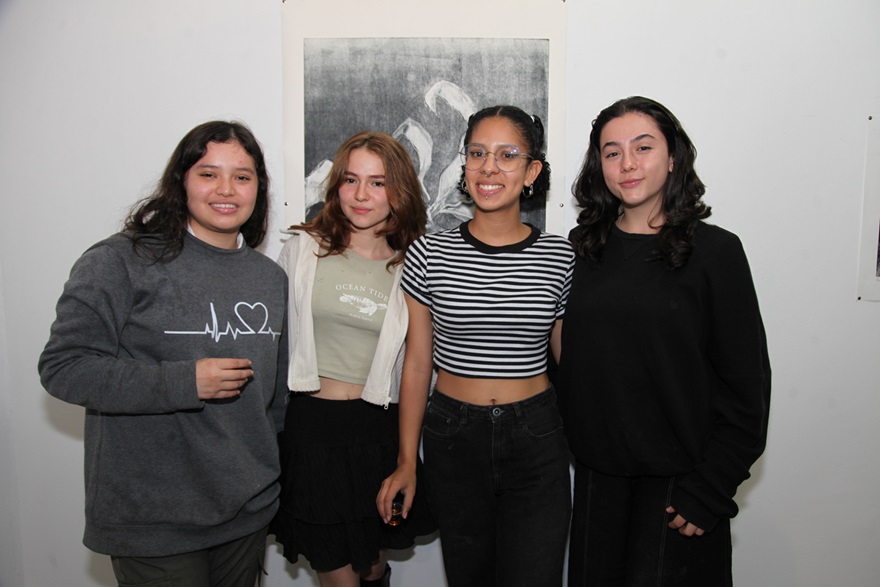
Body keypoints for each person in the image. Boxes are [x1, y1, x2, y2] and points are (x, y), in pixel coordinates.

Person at [38, 121, 289, 587]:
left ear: (259, 188)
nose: (226, 189)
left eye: (242, 176)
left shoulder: (270, 278)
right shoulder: (121, 261)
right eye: (208, 174)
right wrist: (184, 382)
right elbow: (64, 367)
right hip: (153, 519)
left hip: (246, 513)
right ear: (181, 181)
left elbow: (274, 401)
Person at [557, 96, 771, 586]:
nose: (627, 163)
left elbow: (748, 387)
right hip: (598, 486)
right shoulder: (583, 249)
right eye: (612, 152)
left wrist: (711, 489)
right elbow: (571, 362)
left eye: (643, 147)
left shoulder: (716, 252)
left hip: (682, 490)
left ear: (673, 157)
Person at [378, 105, 575, 587]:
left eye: (507, 155)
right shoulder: (429, 252)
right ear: (464, 164)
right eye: (477, 153)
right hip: (453, 437)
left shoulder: (559, 255)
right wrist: (406, 460)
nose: (489, 167)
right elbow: (417, 364)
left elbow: (571, 364)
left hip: (537, 438)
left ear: (532, 172)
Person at [271, 131, 434, 587]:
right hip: (312, 429)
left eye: (378, 183)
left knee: (372, 566)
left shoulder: (415, 263)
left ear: (399, 191)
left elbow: (421, 362)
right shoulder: (302, 249)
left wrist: (407, 455)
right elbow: (273, 341)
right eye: (351, 180)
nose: (361, 195)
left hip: (379, 431)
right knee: (337, 574)